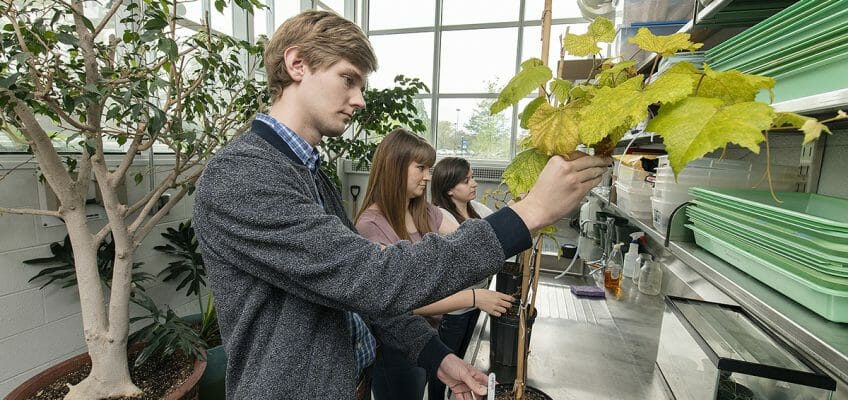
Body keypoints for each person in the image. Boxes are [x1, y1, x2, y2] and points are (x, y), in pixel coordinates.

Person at [192, 9, 611, 400]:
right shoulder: (242, 175)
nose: (359, 100)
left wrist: (434, 354)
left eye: (361, 86)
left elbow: (352, 296)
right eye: (348, 79)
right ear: (297, 64)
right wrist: (529, 212)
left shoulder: (307, 171)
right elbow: (372, 278)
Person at [354, 131, 514, 400]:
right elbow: (400, 299)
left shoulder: (426, 211)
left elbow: (467, 245)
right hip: (394, 347)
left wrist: (518, 218)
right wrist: (474, 297)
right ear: (395, 167)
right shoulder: (370, 225)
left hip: (425, 339)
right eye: (421, 168)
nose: (428, 176)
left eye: (429, 168)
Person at [428, 156, 496, 400]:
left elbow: (500, 226)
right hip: (454, 309)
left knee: (463, 358)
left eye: (473, 178)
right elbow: (472, 251)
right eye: (466, 181)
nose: (474, 184)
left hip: (476, 302)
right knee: (445, 366)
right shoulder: (440, 216)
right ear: (449, 188)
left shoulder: (476, 210)